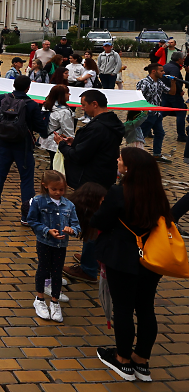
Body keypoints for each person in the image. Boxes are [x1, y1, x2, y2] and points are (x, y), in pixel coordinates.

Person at [91, 148, 172, 382]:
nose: (117, 160)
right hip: (151, 259)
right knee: (146, 308)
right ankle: (141, 360)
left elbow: (100, 220)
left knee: (124, 308)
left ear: (129, 168)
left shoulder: (119, 192)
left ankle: (123, 359)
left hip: (122, 258)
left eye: (121, 159)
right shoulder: (158, 194)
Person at [55, 89, 125, 283]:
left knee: (91, 221)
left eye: (84, 105)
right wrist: (76, 141)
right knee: (95, 219)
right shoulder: (111, 123)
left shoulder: (97, 127)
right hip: (103, 175)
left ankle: (88, 267)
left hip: (91, 179)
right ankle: (92, 257)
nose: (82, 108)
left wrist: (62, 146)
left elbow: (79, 156)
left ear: (95, 104)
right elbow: (95, 147)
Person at [0, 75, 49, 221]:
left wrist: (3, 126)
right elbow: (41, 127)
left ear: (13, 85)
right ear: (28, 88)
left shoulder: (1, 99)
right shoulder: (31, 104)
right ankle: (27, 215)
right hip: (23, 147)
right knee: (26, 179)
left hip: (4, 143)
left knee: (0, 174)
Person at [27, 170, 80, 323]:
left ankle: (55, 302)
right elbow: (32, 220)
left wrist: (72, 230)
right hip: (44, 242)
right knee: (43, 269)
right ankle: (40, 299)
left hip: (61, 245)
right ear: (45, 186)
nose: (58, 192)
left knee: (57, 272)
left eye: (61, 189)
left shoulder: (69, 205)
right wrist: (47, 230)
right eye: (54, 189)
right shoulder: (38, 201)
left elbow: (76, 225)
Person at [136, 63, 176, 162]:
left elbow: (171, 92)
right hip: (147, 114)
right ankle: (135, 156)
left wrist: (173, 82)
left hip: (157, 113)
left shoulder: (159, 82)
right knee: (141, 136)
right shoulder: (144, 82)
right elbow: (138, 98)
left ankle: (157, 155)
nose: (164, 72)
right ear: (154, 71)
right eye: (161, 70)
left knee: (160, 133)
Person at [38, 85, 74, 167]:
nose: (69, 95)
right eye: (67, 93)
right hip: (57, 142)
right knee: (57, 165)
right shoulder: (64, 112)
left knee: (53, 161)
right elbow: (68, 129)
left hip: (47, 139)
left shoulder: (46, 106)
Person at [162, 51, 187, 143]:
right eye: (183, 58)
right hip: (174, 94)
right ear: (179, 59)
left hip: (165, 93)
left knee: (163, 112)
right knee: (181, 113)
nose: (183, 60)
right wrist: (180, 91)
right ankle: (181, 135)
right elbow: (174, 81)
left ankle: (149, 127)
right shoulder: (174, 69)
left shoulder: (166, 65)